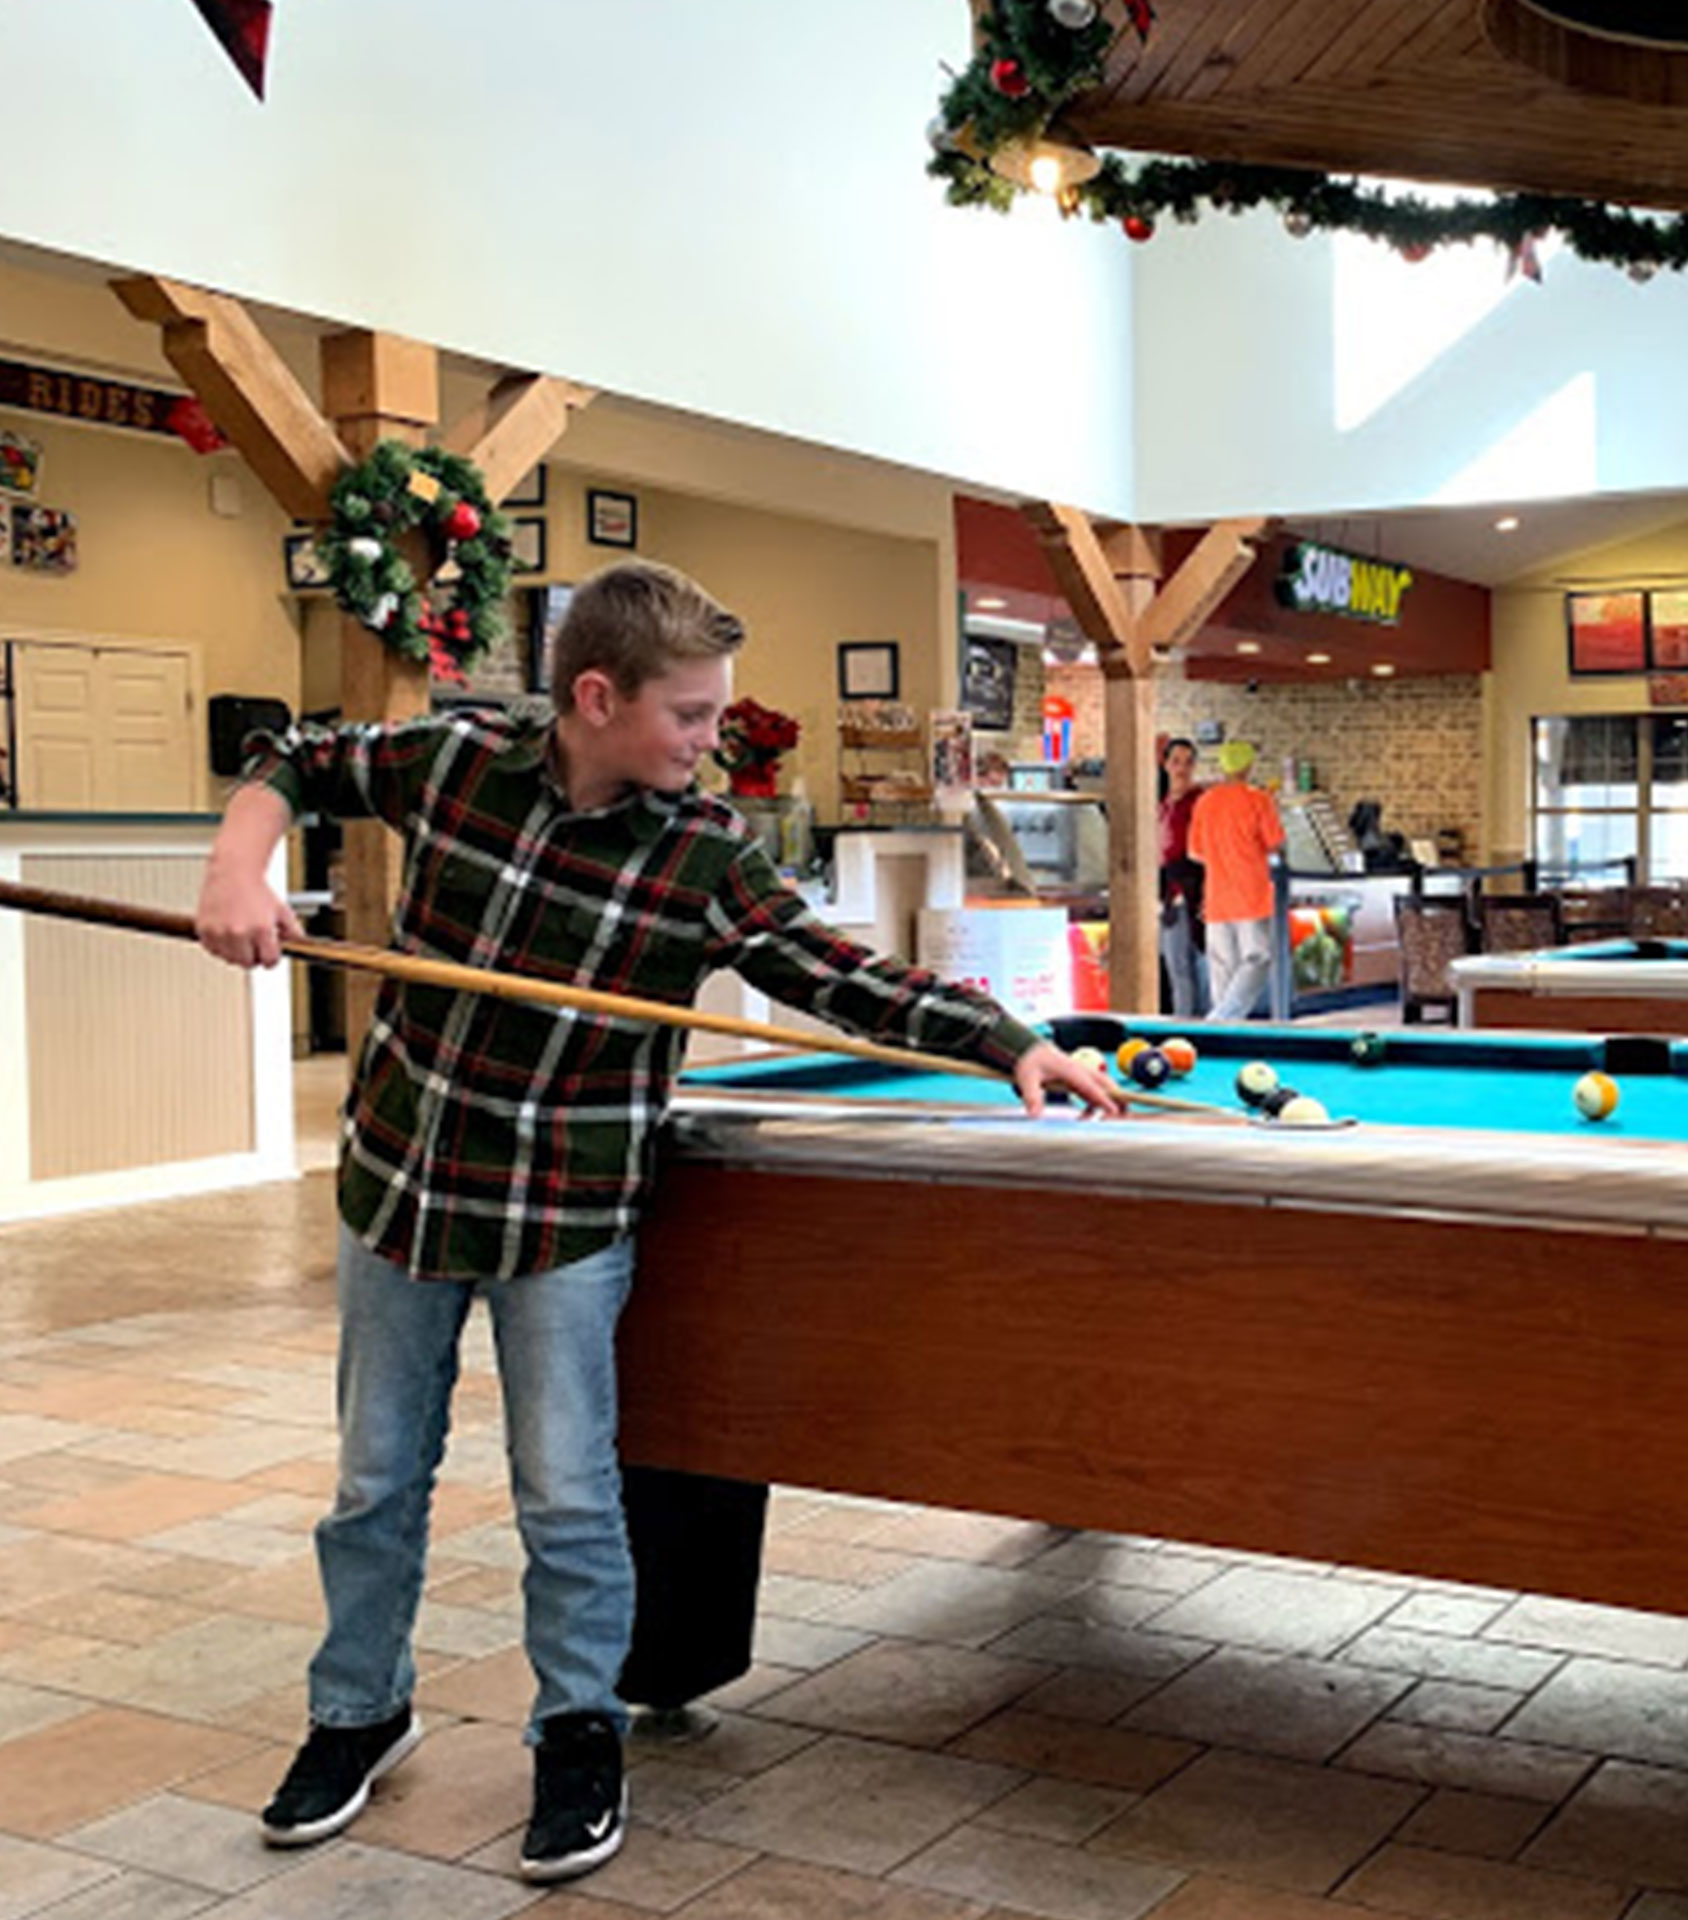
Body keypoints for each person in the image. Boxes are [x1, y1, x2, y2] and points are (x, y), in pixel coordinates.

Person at [192, 561, 1117, 1886]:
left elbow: (840, 975)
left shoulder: (700, 854)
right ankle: (357, 1716)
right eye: (689, 715)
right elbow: (296, 759)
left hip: (566, 1215)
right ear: (593, 696)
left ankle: (579, 1732)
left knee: (569, 1497)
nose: (710, 739)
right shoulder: (453, 760)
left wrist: (1007, 1041)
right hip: (399, 1185)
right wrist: (238, 866)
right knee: (372, 1484)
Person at [1187, 738, 1286, 1020]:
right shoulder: (1259, 800)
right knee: (1257, 958)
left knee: (1222, 968)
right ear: (1249, 765)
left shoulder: (1205, 802)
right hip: (1252, 894)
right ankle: (1222, 1018)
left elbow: (1195, 852)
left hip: (1217, 896)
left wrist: (1222, 855)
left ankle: (1222, 1029)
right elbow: (1275, 842)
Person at [1156, 735, 1208, 1017]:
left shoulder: (1199, 802)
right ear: (1165, 764)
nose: (1181, 768)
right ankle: (1182, 1021)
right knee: (1176, 963)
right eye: (1176, 761)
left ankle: (1196, 1024)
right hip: (1168, 890)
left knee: (1197, 962)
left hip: (1194, 887)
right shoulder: (1162, 804)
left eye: (1188, 762)